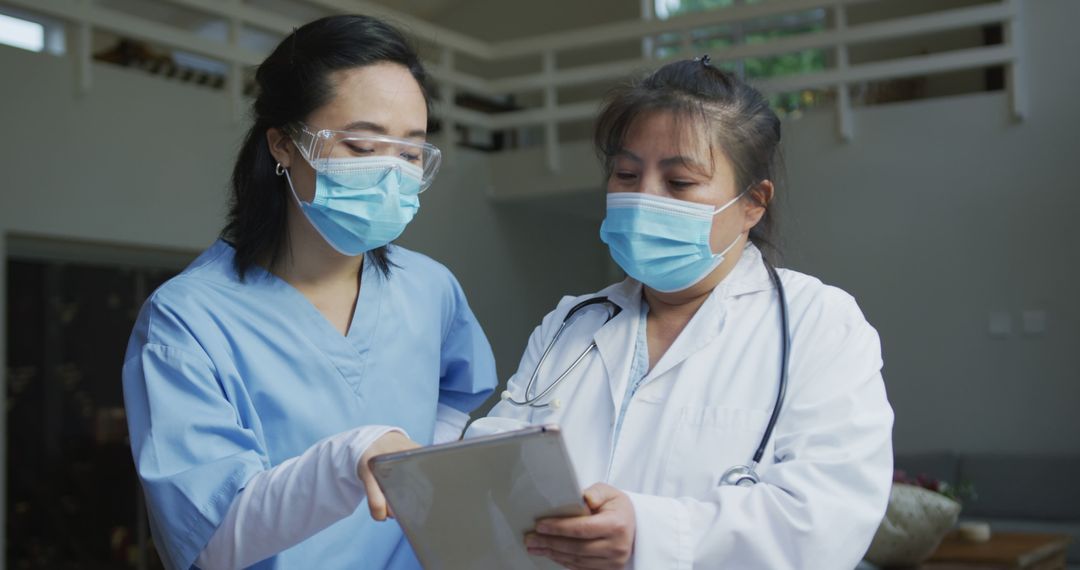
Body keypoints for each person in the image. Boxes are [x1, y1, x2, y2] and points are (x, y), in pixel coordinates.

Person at [469, 56, 894, 569]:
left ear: (752, 204)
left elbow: (826, 520)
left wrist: (651, 534)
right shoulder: (572, 323)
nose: (643, 197)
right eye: (626, 173)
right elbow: (494, 465)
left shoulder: (818, 324)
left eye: (680, 183)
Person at [121, 15, 496, 570]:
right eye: (362, 145)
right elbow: (211, 540)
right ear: (283, 144)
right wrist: (351, 459)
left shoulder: (429, 287)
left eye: (411, 153)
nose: (392, 173)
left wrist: (416, 475)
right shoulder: (187, 322)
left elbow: (459, 392)